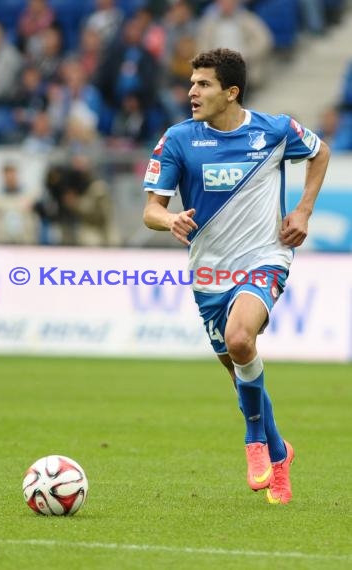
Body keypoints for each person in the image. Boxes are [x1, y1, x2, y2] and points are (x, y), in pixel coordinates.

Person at [142, 48, 330, 504]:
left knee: (242, 339)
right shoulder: (179, 139)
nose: (192, 92)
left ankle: (253, 444)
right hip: (208, 273)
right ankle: (280, 452)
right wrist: (170, 222)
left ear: (231, 92)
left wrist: (303, 210)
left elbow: (320, 152)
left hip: (265, 258)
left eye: (203, 84)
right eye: (191, 83)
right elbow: (150, 209)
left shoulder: (275, 131)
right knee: (239, 370)